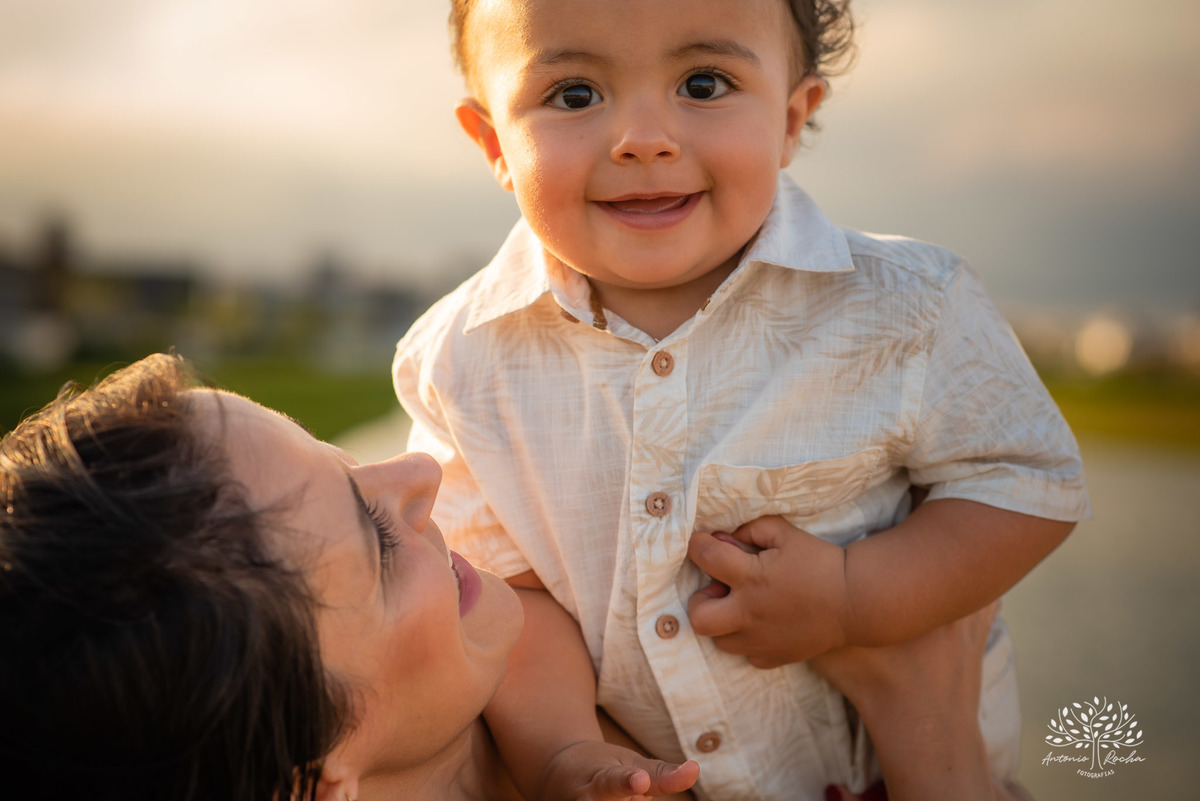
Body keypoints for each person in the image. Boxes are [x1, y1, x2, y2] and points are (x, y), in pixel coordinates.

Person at [392, 1, 1091, 799]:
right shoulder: (461, 359)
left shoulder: (906, 306)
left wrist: (855, 594)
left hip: (897, 773)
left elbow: (1029, 482)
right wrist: (562, 748)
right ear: (493, 144)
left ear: (792, 119)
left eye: (703, 82)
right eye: (575, 95)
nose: (643, 138)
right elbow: (503, 594)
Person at [1, 353, 1006, 801]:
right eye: (376, 537)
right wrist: (938, 754)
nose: (420, 473)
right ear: (307, 783)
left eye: (344, 459)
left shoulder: (552, 626)